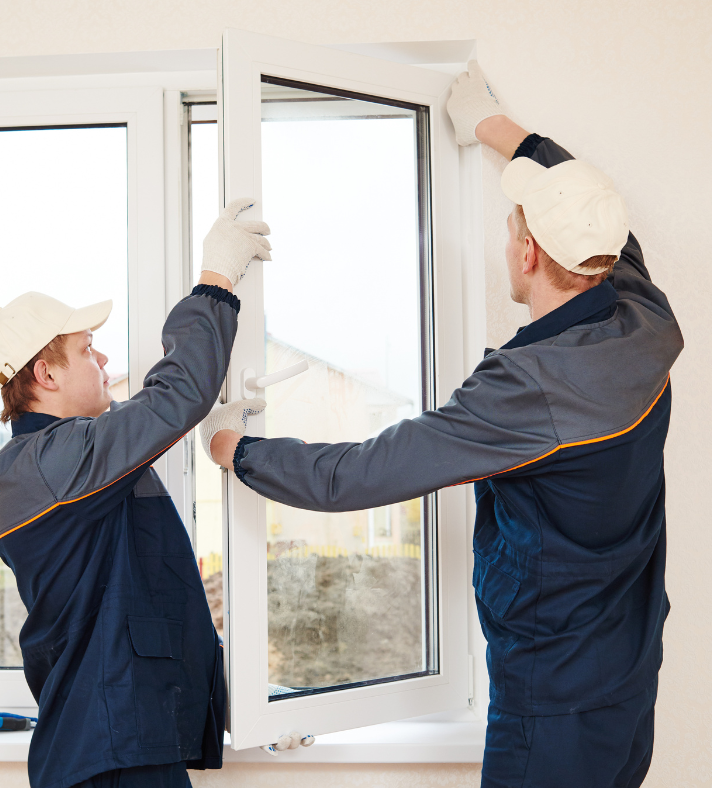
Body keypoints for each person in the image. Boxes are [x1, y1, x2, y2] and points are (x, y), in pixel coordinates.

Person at [200, 62, 683, 788]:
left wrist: (237, 450)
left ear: (525, 253)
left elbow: (359, 473)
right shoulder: (645, 316)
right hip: (628, 675)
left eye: (514, 226)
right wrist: (495, 127)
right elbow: (591, 200)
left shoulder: (529, 390)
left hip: (550, 705)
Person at [0, 199, 270, 788]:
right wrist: (215, 280)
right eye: (87, 349)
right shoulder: (51, 461)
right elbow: (172, 397)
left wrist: (213, 434)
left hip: (112, 745)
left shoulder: (54, 463)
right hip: (110, 756)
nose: (104, 359)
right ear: (48, 375)